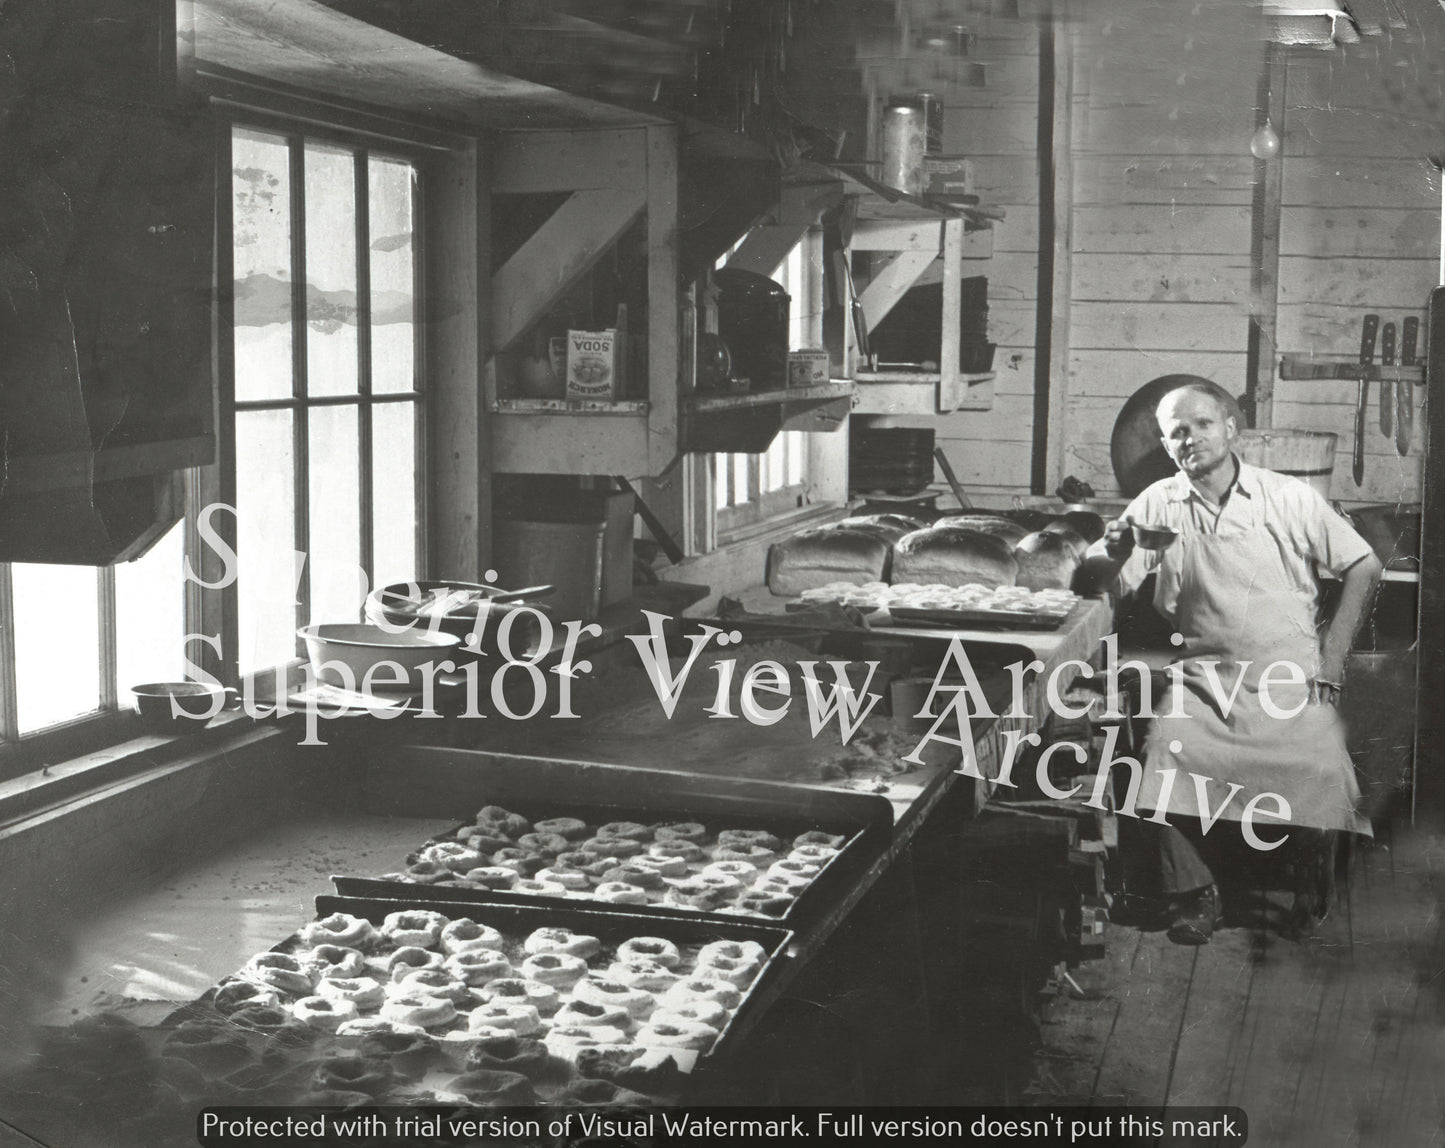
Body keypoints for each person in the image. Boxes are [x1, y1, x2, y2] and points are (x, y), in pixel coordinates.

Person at [1083, 380, 1382, 944]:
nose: (1189, 438)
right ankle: (1197, 893)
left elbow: (1363, 565)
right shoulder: (1158, 503)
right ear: (1167, 447)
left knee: (1318, 769)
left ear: (1230, 429)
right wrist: (1108, 551)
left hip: (1288, 676)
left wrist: (1334, 660)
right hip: (1203, 677)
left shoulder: (1286, 496)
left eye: (1201, 424)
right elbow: (1109, 582)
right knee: (1161, 751)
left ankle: (1309, 879)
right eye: (1176, 432)